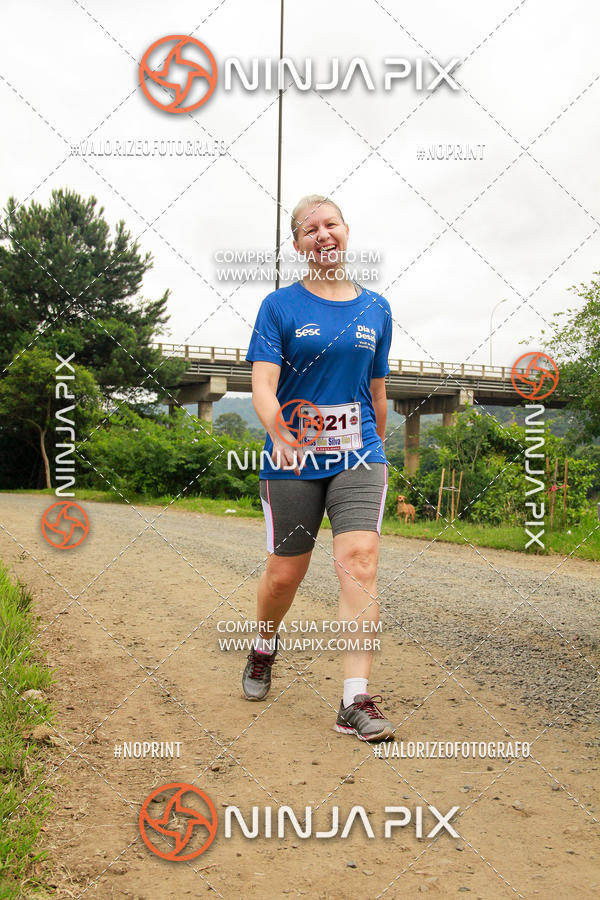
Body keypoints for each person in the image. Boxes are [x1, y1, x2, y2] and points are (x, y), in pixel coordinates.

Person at [242, 194, 394, 741]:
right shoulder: (279, 307)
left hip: (359, 453)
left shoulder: (376, 308)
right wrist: (280, 434)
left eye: (331, 224)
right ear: (297, 244)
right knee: (285, 574)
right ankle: (264, 644)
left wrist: (376, 449)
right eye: (311, 229)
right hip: (294, 455)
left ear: (347, 231)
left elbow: (377, 391)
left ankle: (355, 700)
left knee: (359, 561)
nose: (323, 234)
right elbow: (263, 386)